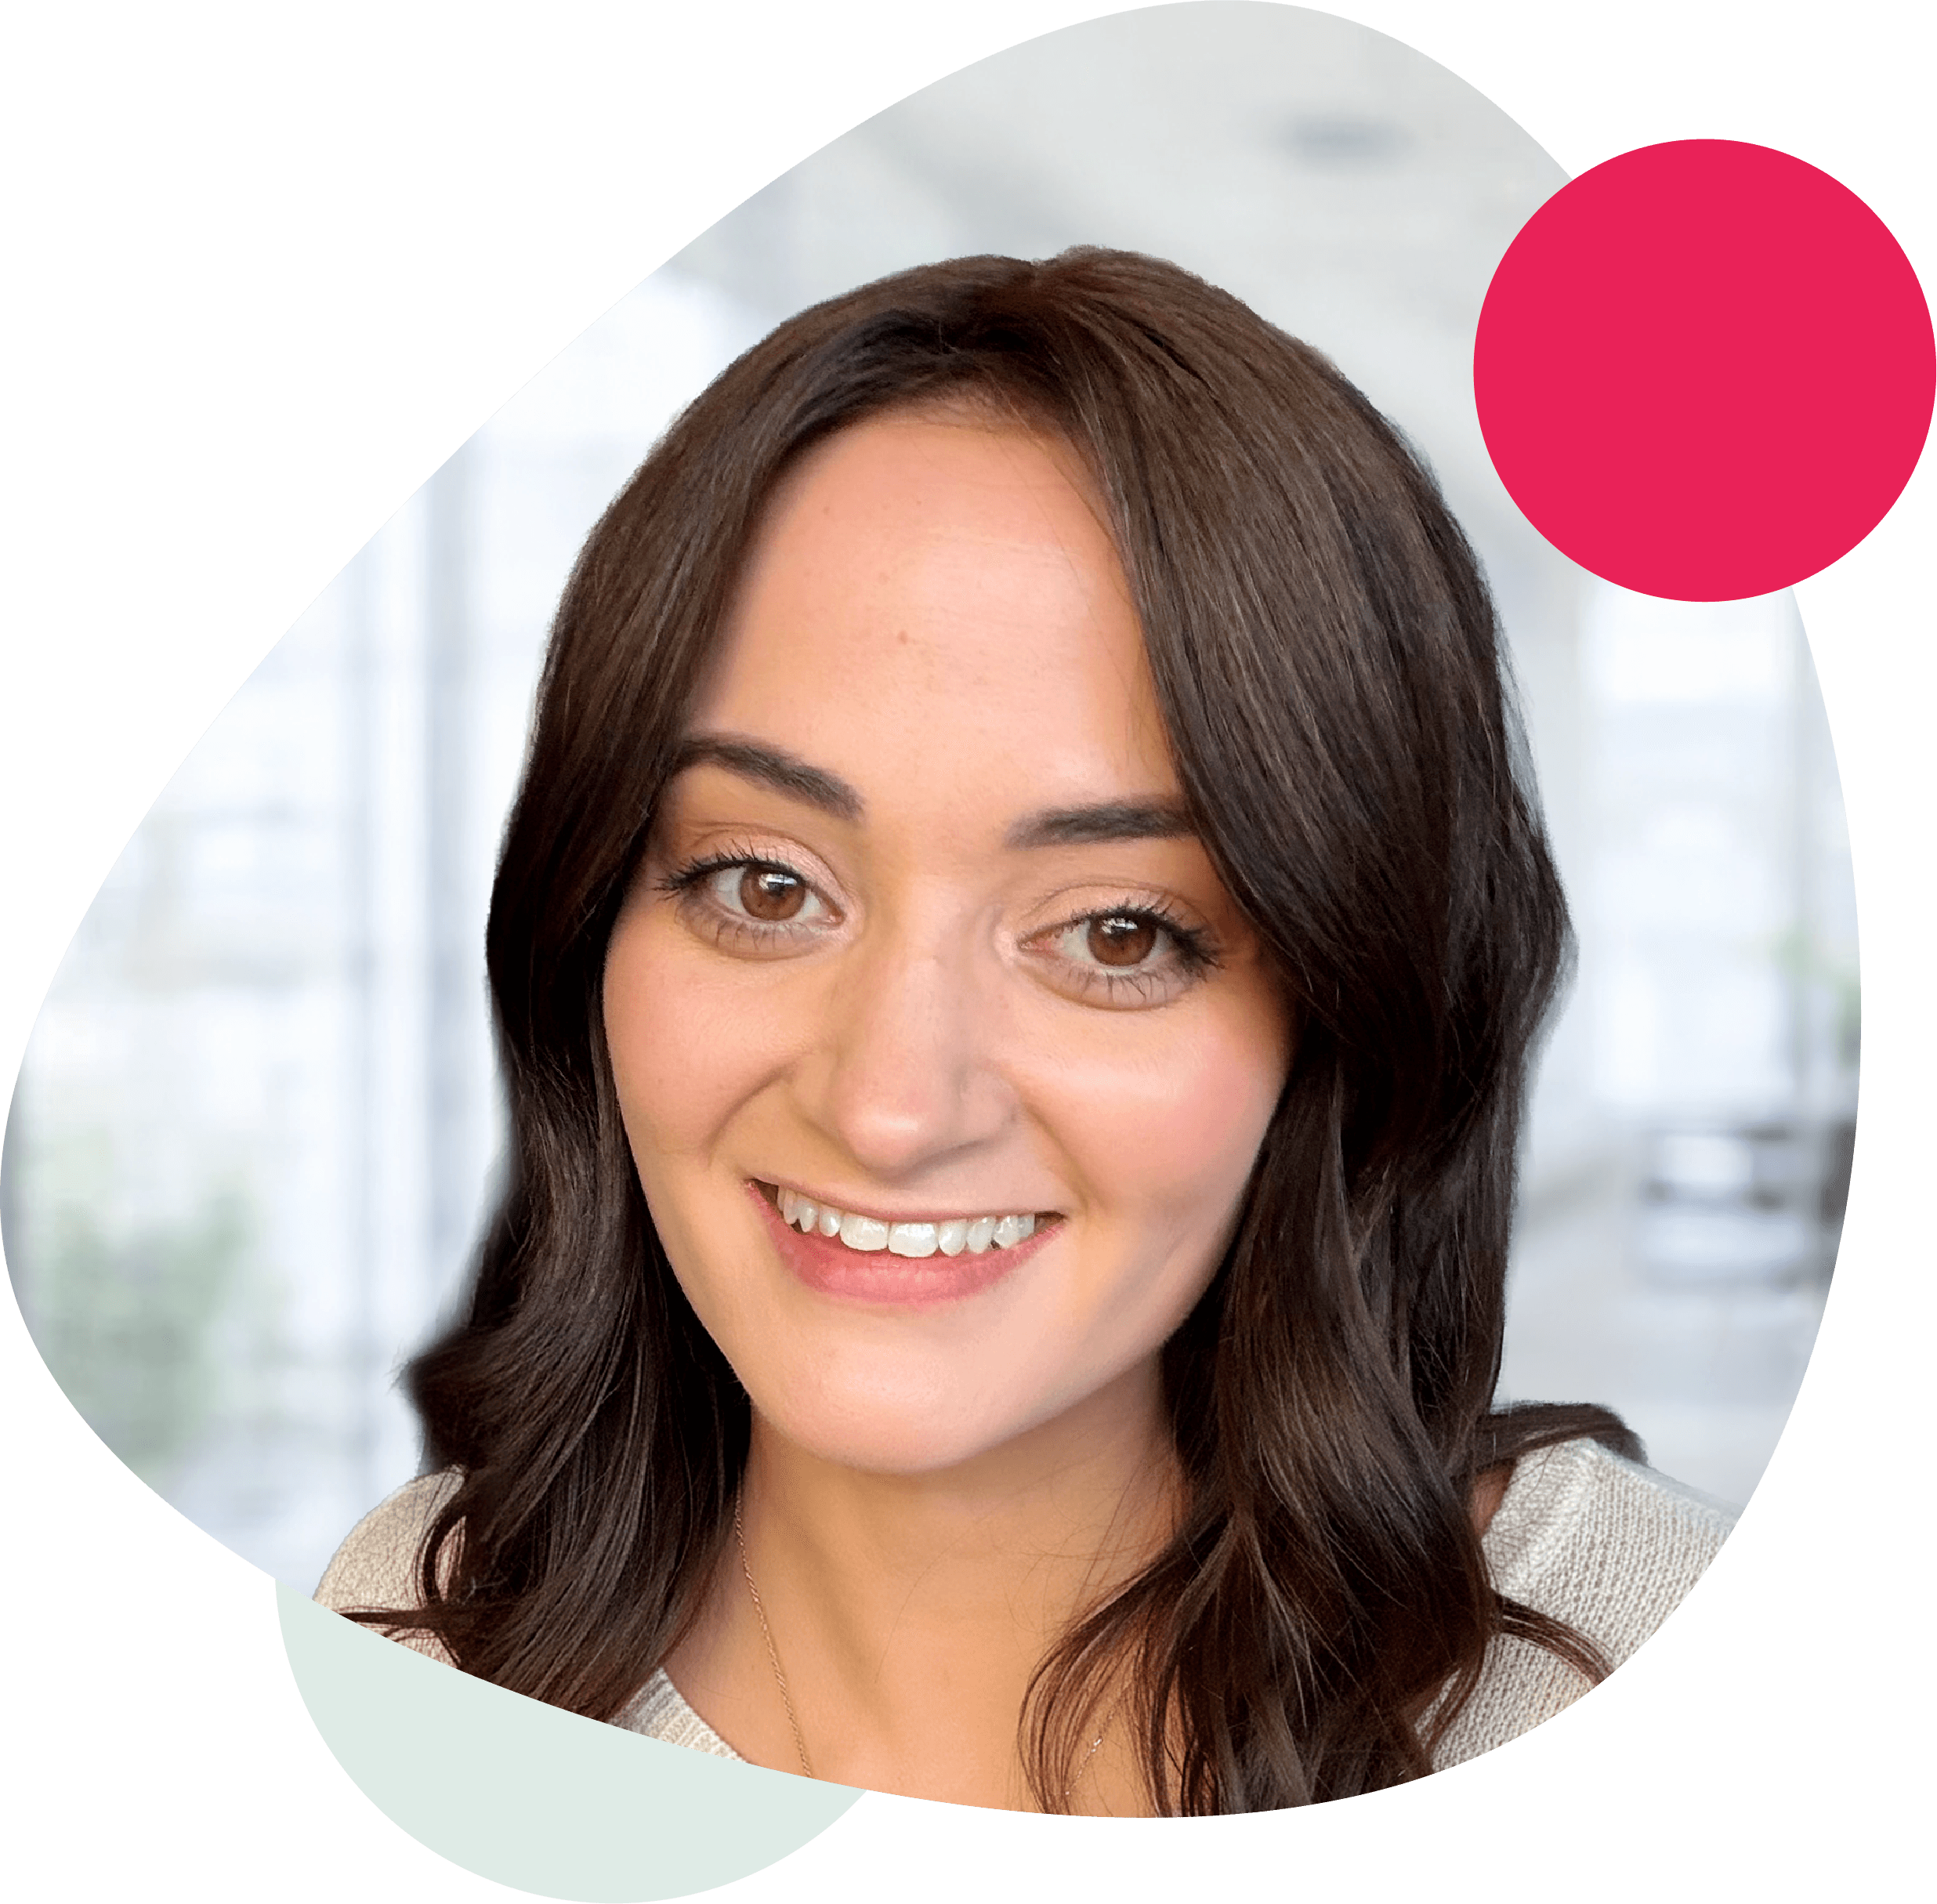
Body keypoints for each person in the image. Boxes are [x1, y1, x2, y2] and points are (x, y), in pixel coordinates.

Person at [317, 248, 1734, 1815]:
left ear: (1343, 1005)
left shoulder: (1652, 1667)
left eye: (1115, 933)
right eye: (765, 885)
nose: (890, 1107)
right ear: (587, 923)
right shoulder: (426, 1636)